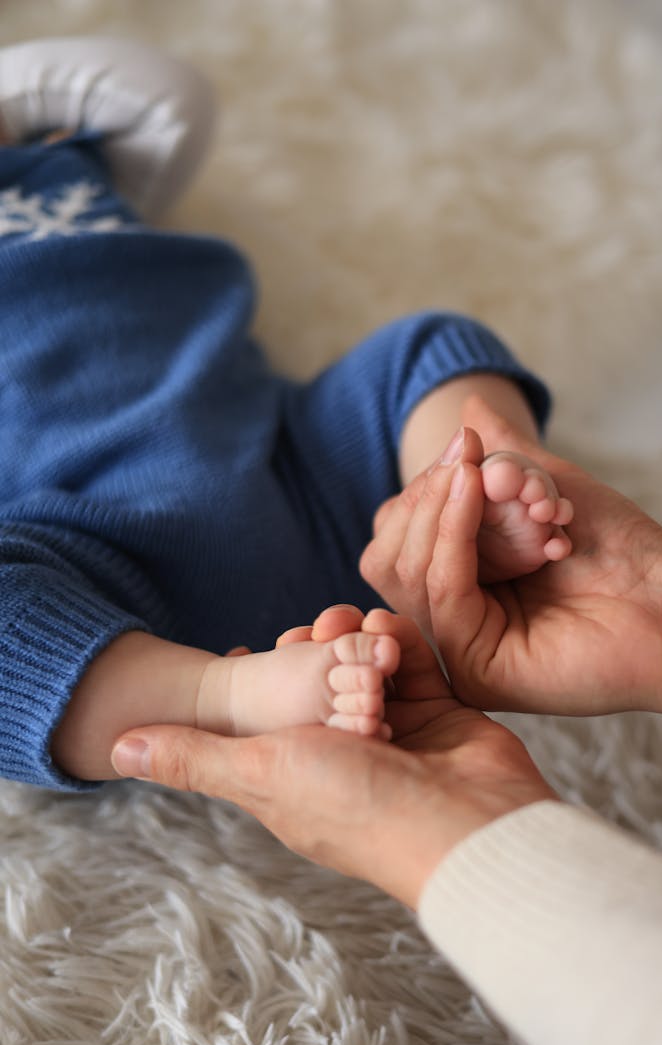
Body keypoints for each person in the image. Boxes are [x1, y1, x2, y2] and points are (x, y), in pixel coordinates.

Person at [112, 422, 662, 1045]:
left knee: (434, 374)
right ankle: (224, 689)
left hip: (265, 439)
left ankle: (462, 510)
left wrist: (456, 479)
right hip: (55, 514)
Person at [0, 36, 573, 789]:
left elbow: (167, 96)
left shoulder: (63, 156)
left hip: (296, 463)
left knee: (427, 347)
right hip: (106, 551)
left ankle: (454, 507)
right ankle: (226, 698)